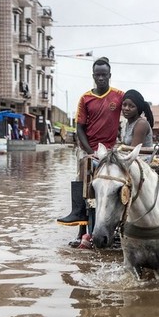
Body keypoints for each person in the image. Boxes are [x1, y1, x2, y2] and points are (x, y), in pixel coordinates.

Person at [56, 57, 124, 248]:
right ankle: (81, 230)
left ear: (109, 75)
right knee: (84, 184)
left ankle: (114, 227)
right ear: (93, 76)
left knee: (111, 189)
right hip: (89, 149)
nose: (101, 78)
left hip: (110, 151)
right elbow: (79, 128)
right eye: (97, 75)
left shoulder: (119, 96)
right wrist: (89, 151)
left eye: (104, 75)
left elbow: (133, 105)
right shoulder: (85, 98)